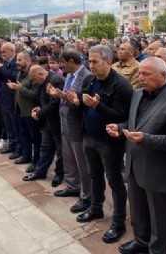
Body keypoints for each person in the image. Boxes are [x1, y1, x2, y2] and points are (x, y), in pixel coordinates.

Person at [106, 57, 166, 254]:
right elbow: (133, 123)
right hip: (134, 163)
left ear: (163, 75)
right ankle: (140, 240)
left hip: (159, 168)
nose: (140, 77)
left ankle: (159, 249)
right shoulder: (138, 94)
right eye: (139, 73)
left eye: (146, 74)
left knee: (160, 216)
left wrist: (146, 139)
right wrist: (120, 128)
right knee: (138, 209)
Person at [66, 45, 133, 244]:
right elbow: (83, 104)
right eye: (89, 60)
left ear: (108, 62)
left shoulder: (121, 85)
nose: (90, 65)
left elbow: (121, 117)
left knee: (115, 181)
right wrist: (76, 101)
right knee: (95, 176)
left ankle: (118, 222)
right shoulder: (89, 80)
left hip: (109, 142)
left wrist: (98, 105)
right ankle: (96, 208)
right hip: (89, 136)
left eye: (95, 61)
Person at [47, 49, 93, 214]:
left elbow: (81, 101)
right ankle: (73, 186)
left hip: (77, 125)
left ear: (71, 62)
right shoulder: (69, 75)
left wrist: (67, 98)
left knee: (82, 162)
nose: (61, 66)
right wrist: (58, 95)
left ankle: (87, 196)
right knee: (68, 158)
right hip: (64, 122)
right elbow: (67, 96)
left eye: (63, 63)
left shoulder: (86, 76)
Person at [26, 65, 64, 187]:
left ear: (41, 74)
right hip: (49, 122)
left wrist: (39, 113)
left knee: (60, 151)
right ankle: (40, 171)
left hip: (57, 122)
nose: (33, 82)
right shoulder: (44, 81)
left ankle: (59, 175)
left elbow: (56, 103)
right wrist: (40, 108)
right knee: (45, 148)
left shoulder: (55, 80)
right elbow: (44, 98)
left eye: (34, 79)